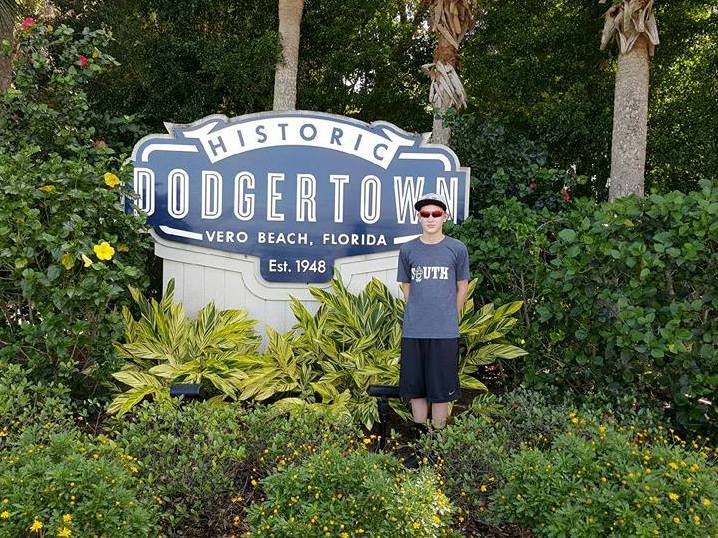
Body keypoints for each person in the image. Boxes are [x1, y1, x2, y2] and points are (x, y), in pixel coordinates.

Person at [396, 193, 470, 430]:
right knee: (416, 388)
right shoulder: (408, 249)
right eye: (425, 213)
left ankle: (438, 440)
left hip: (444, 332)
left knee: (441, 391)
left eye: (436, 213)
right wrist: (417, 311)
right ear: (419, 217)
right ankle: (419, 439)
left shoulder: (457, 249)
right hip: (414, 331)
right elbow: (406, 286)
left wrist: (449, 316)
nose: (430, 218)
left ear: (444, 217)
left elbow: (462, 287)